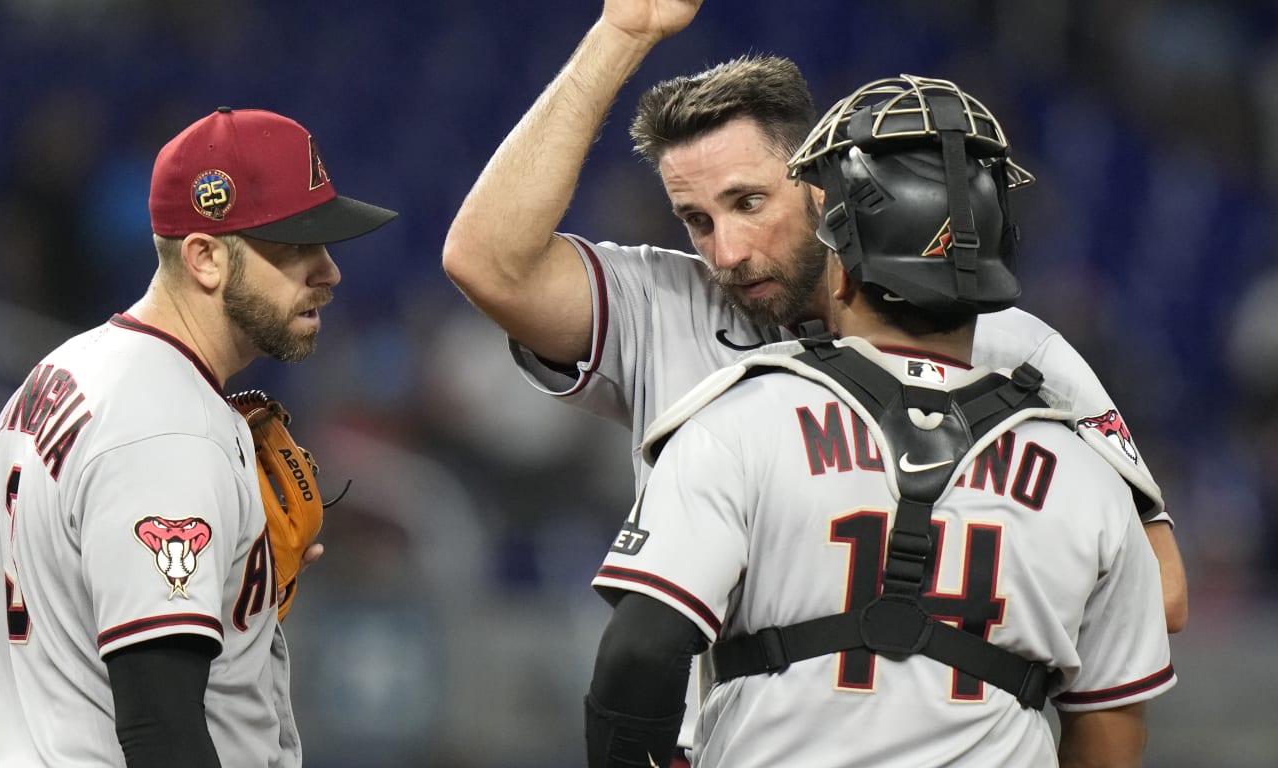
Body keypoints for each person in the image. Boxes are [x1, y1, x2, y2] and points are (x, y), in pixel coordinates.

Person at [442, 1, 1184, 762]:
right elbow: (485, 260)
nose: (726, 250)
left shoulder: (1011, 343)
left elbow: (1155, 588)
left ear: (827, 189)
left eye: (748, 202)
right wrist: (621, 35)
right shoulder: (666, 302)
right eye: (694, 219)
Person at [0, 106, 397, 767]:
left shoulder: (52, 377)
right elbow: (163, 734)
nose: (328, 272)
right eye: (296, 247)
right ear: (206, 257)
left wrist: (224, 606)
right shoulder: (169, 430)